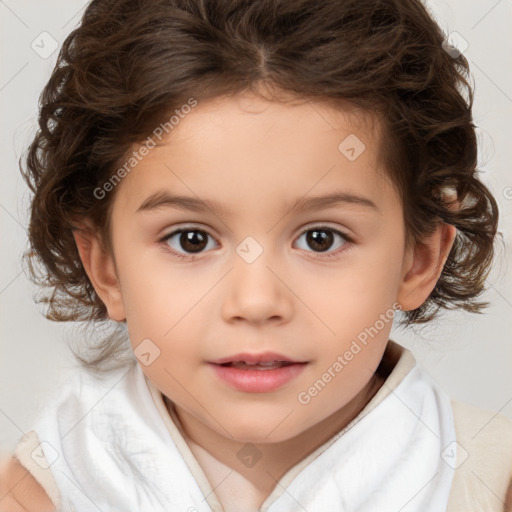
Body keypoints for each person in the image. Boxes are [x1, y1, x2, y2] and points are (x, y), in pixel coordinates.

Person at [1, 0, 511, 510]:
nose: (256, 301)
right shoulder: (36, 492)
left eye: (321, 239)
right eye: (191, 240)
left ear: (418, 259)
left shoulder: (490, 482)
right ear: (105, 268)